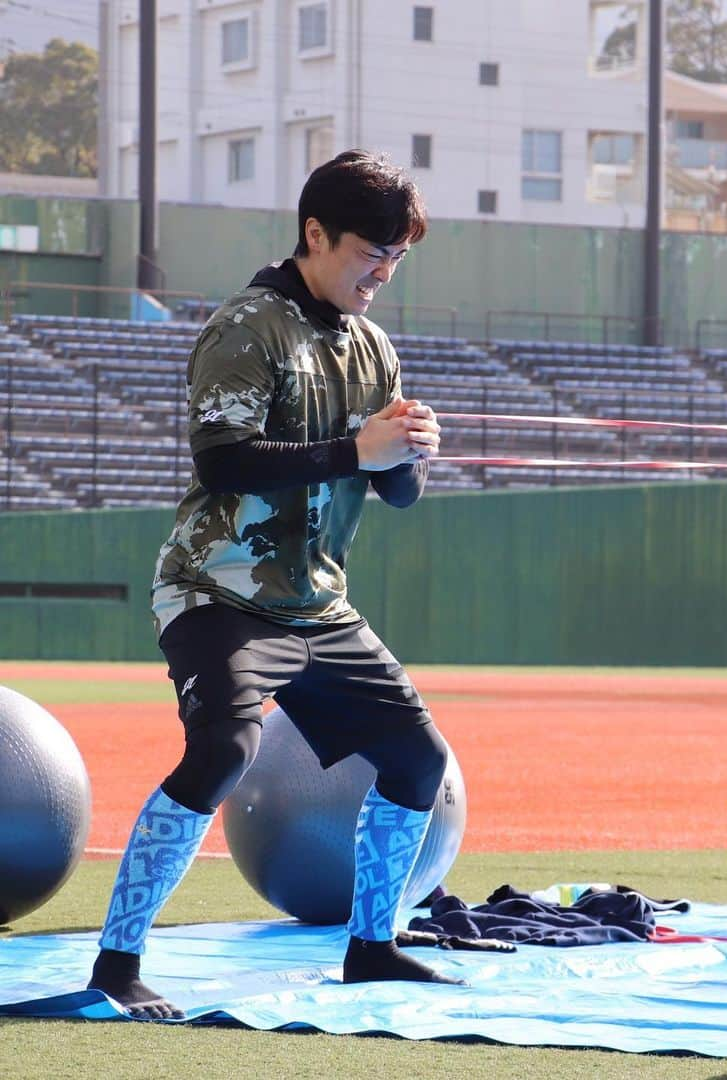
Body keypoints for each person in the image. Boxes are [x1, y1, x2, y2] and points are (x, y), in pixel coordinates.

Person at [88, 150, 458, 1020]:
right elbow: (221, 462)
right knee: (222, 752)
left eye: (398, 256)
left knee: (419, 760)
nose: (383, 272)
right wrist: (357, 450)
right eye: (372, 251)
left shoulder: (371, 345)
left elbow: (394, 490)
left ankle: (373, 950)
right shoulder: (245, 327)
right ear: (316, 234)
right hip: (215, 593)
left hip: (316, 605)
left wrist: (409, 455)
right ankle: (116, 965)